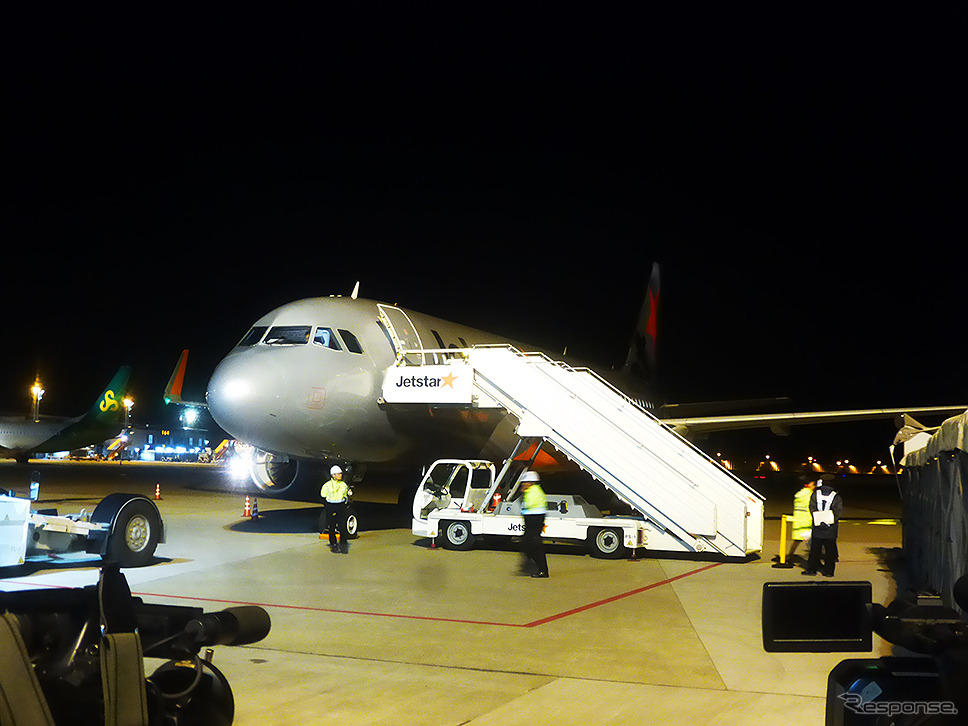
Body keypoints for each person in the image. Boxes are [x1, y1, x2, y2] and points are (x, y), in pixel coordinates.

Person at [803, 476, 843, 577]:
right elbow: (837, 512)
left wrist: (819, 520)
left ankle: (812, 570)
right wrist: (828, 522)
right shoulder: (836, 496)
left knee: (815, 550)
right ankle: (829, 571)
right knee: (830, 552)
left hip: (817, 527)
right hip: (830, 529)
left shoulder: (816, 494)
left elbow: (812, 507)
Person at [519, 471, 549, 578]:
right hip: (534, 519)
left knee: (533, 544)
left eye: (525, 482)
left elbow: (528, 504)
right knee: (530, 542)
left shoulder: (533, 492)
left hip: (533, 519)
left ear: (531, 482)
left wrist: (523, 492)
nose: (523, 484)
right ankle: (538, 566)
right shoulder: (535, 490)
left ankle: (542, 570)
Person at [319, 465, 350, 553]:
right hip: (331, 505)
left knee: (342, 526)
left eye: (341, 474)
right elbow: (323, 495)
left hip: (340, 505)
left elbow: (345, 495)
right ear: (333, 475)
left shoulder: (344, 485)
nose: (341, 475)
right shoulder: (327, 485)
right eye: (339, 474)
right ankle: (334, 545)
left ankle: (343, 544)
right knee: (331, 526)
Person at [787, 478, 817, 564]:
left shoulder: (799, 494)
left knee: (797, 540)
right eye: (813, 484)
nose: (814, 486)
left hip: (799, 520)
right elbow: (812, 507)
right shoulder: (809, 495)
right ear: (808, 485)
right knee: (813, 542)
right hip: (806, 521)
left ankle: (789, 556)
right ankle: (815, 559)